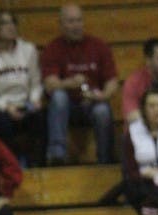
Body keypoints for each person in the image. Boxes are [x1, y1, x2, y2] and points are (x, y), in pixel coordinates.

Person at [40, 4, 118, 165]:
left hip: (91, 103)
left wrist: (102, 95)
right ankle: (57, 155)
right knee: (59, 97)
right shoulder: (53, 48)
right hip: (67, 106)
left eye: (79, 21)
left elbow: (112, 81)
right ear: (61, 25)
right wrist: (70, 83)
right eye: (70, 22)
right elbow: (49, 84)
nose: (76, 26)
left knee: (103, 109)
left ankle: (105, 160)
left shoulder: (98, 46)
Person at [0, 9, 46, 167]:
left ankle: (39, 167)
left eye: (13, 22)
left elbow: (36, 82)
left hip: (25, 104)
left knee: (41, 119)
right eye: (6, 23)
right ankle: (11, 166)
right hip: (0, 108)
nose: (11, 27)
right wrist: (6, 107)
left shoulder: (29, 50)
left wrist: (34, 100)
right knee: (0, 123)